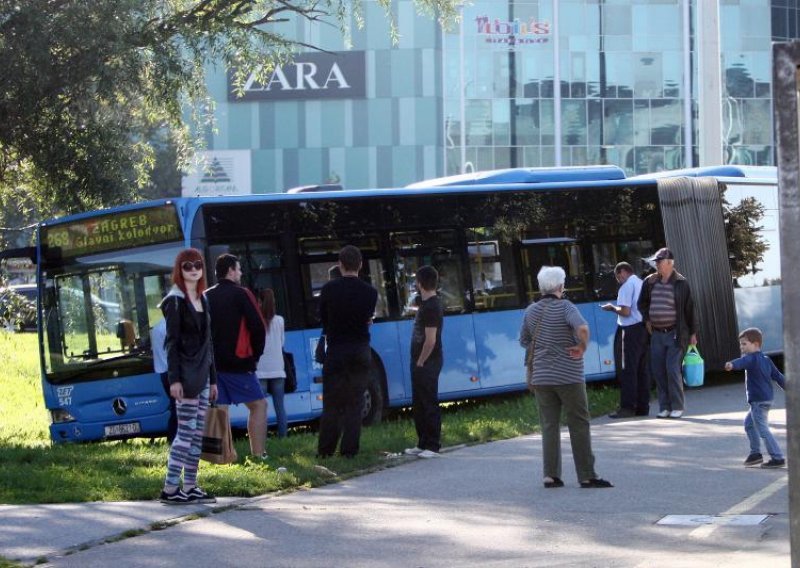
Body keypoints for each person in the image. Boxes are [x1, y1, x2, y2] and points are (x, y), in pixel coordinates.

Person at [520, 266, 613, 489]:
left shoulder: (531, 311)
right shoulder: (566, 307)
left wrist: (544, 346)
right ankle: (586, 475)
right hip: (568, 375)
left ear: (541, 287)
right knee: (578, 422)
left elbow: (524, 340)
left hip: (541, 376)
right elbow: (582, 329)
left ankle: (550, 475)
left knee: (549, 425)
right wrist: (581, 346)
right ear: (561, 286)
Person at [159, 248, 218, 504]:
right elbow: (171, 343)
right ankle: (170, 489)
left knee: (197, 434)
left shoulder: (203, 299)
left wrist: (213, 379)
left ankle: (191, 485)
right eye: (187, 265)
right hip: (184, 375)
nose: (193, 269)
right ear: (179, 270)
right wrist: (174, 380)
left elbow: (208, 342)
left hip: (203, 374)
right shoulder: (175, 300)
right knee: (185, 432)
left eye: (197, 265)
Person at [317, 245, 378, 458]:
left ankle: (325, 450)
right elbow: (367, 318)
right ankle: (349, 451)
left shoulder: (328, 290)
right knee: (355, 402)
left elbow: (324, 320)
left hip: (336, 350)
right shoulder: (370, 292)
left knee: (332, 403)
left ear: (340, 265)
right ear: (360, 265)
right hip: (360, 350)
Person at [204, 253, 268, 458]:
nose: (240, 273)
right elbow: (258, 326)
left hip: (213, 365)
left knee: (220, 409)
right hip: (239, 362)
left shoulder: (205, 296)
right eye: (239, 269)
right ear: (231, 271)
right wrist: (255, 355)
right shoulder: (242, 294)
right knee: (259, 405)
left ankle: (224, 457)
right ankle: (258, 454)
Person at [637, 247, 698, 419]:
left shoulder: (681, 283)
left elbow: (690, 309)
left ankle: (677, 406)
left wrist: (693, 332)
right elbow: (642, 304)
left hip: (675, 333)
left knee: (672, 369)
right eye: (655, 261)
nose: (656, 265)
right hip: (656, 333)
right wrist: (647, 319)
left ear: (670, 263)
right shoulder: (650, 282)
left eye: (659, 261)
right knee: (658, 370)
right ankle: (664, 407)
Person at [724, 328, 786, 469]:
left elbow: (741, 362)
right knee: (749, 424)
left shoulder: (751, 359)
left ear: (756, 344)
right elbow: (778, 376)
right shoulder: (766, 359)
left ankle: (777, 457)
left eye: (744, 344)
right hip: (764, 400)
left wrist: (731, 364)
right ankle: (755, 454)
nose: (742, 347)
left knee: (762, 429)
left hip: (758, 401)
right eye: (741, 344)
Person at [404, 266, 445, 459]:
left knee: (428, 402)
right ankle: (422, 443)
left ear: (419, 283)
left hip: (428, 361)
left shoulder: (431, 307)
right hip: (420, 361)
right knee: (419, 402)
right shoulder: (426, 304)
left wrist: (420, 361)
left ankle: (433, 445)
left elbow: (431, 340)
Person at [601, 262, 650, 418]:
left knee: (628, 369)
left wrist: (612, 308)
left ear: (623, 272)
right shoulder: (641, 283)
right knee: (642, 370)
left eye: (617, 276)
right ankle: (643, 406)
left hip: (630, 330)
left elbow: (625, 311)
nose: (617, 280)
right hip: (643, 329)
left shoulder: (626, 286)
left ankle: (627, 407)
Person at [256, 288, 288, 438]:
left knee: (261, 408)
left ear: (259, 302)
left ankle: (263, 439)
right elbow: (282, 343)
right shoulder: (280, 321)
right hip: (278, 369)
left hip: (260, 370)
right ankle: (283, 437)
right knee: (280, 407)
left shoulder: (256, 320)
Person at [150, 318, 177, 443]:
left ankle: (173, 439)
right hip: (174, 373)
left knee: (175, 407)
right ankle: (174, 439)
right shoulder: (171, 327)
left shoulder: (157, 328)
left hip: (163, 373)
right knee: (179, 409)